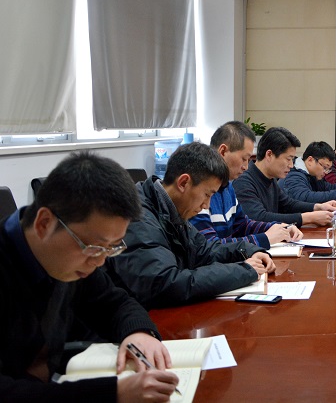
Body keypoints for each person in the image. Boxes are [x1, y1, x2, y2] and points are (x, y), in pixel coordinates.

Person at [0, 152, 180, 401]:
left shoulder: (72, 260)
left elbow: (115, 302)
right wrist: (114, 394)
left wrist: (138, 333)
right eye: (95, 247)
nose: (100, 261)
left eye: (112, 247)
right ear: (44, 223)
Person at [106, 142, 275, 309]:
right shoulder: (138, 217)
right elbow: (165, 284)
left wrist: (248, 250)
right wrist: (245, 270)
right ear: (183, 183)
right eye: (207, 194)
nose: (207, 205)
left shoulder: (171, 209)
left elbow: (205, 251)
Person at [190, 121, 302, 248]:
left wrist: (278, 228)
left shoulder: (228, 187)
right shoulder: (199, 190)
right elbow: (210, 247)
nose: (246, 166)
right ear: (223, 151)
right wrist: (265, 238)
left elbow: (242, 226)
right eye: (244, 159)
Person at [234, 127, 336, 226]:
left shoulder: (270, 178)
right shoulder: (243, 181)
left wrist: (318, 207)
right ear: (269, 155)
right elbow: (259, 217)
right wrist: (308, 218)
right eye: (288, 159)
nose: (291, 165)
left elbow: (288, 204)